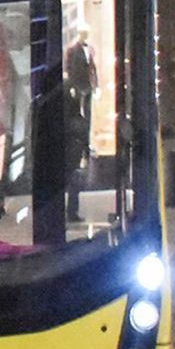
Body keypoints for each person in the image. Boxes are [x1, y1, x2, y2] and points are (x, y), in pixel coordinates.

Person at [63, 29, 96, 223]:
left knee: (72, 179)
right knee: (72, 179)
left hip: (85, 86)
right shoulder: (71, 51)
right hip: (71, 144)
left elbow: (92, 68)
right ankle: (70, 212)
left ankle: (70, 212)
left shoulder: (89, 49)